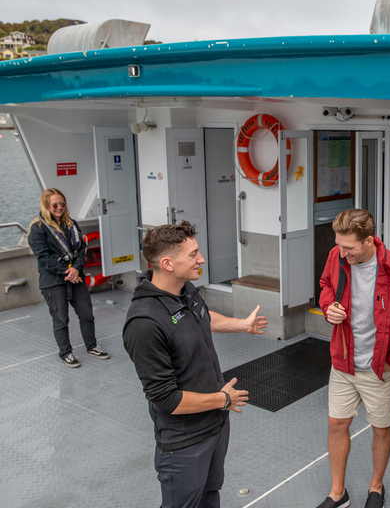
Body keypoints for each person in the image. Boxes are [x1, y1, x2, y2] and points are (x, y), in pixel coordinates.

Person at [122, 221, 267, 508]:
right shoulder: (145, 323)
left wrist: (243, 325)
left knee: (210, 498)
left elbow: (202, 316)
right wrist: (223, 399)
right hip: (184, 444)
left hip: (215, 425)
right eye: (193, 255)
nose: (201, 259)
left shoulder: (184, 291)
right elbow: (166, 399)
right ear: (167, 263)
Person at [318, 208, 390, 508]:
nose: (343, 253)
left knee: (380, 429)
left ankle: (376, 487)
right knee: (336, 425)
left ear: (369, 241)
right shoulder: (336, 257)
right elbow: (326, 285)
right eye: (339, 245)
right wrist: (329, 307)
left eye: (349, 247)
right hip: (343, 361)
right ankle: (337, 492)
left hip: (379, 367)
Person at [28, 188, 110, 368]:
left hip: (76, 277)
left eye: (62, 204)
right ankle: (66, 353)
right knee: (61, 318)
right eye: (55, 205)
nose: (59, 208)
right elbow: (44, 257)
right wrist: (68, 271)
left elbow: (81, 249)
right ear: (46, 206)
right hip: (54, 281)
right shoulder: (37, 229)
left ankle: (92, 346)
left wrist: (76, 269)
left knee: (86, 314)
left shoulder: (71, 224)